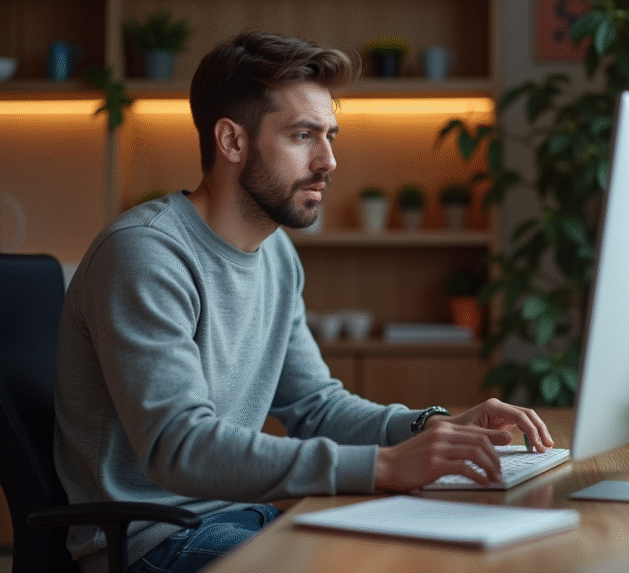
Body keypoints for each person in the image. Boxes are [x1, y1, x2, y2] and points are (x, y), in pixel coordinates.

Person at [54, 31, 554, 573]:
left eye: (330, 136)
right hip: (153, 543)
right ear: (232, 142)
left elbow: (316, 407)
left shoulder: (276, 256)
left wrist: (431, 428)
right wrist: (383, 466)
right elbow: (180, 446)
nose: (329, 161)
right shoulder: (146, 255)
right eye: (303, 136)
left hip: (244, 519)